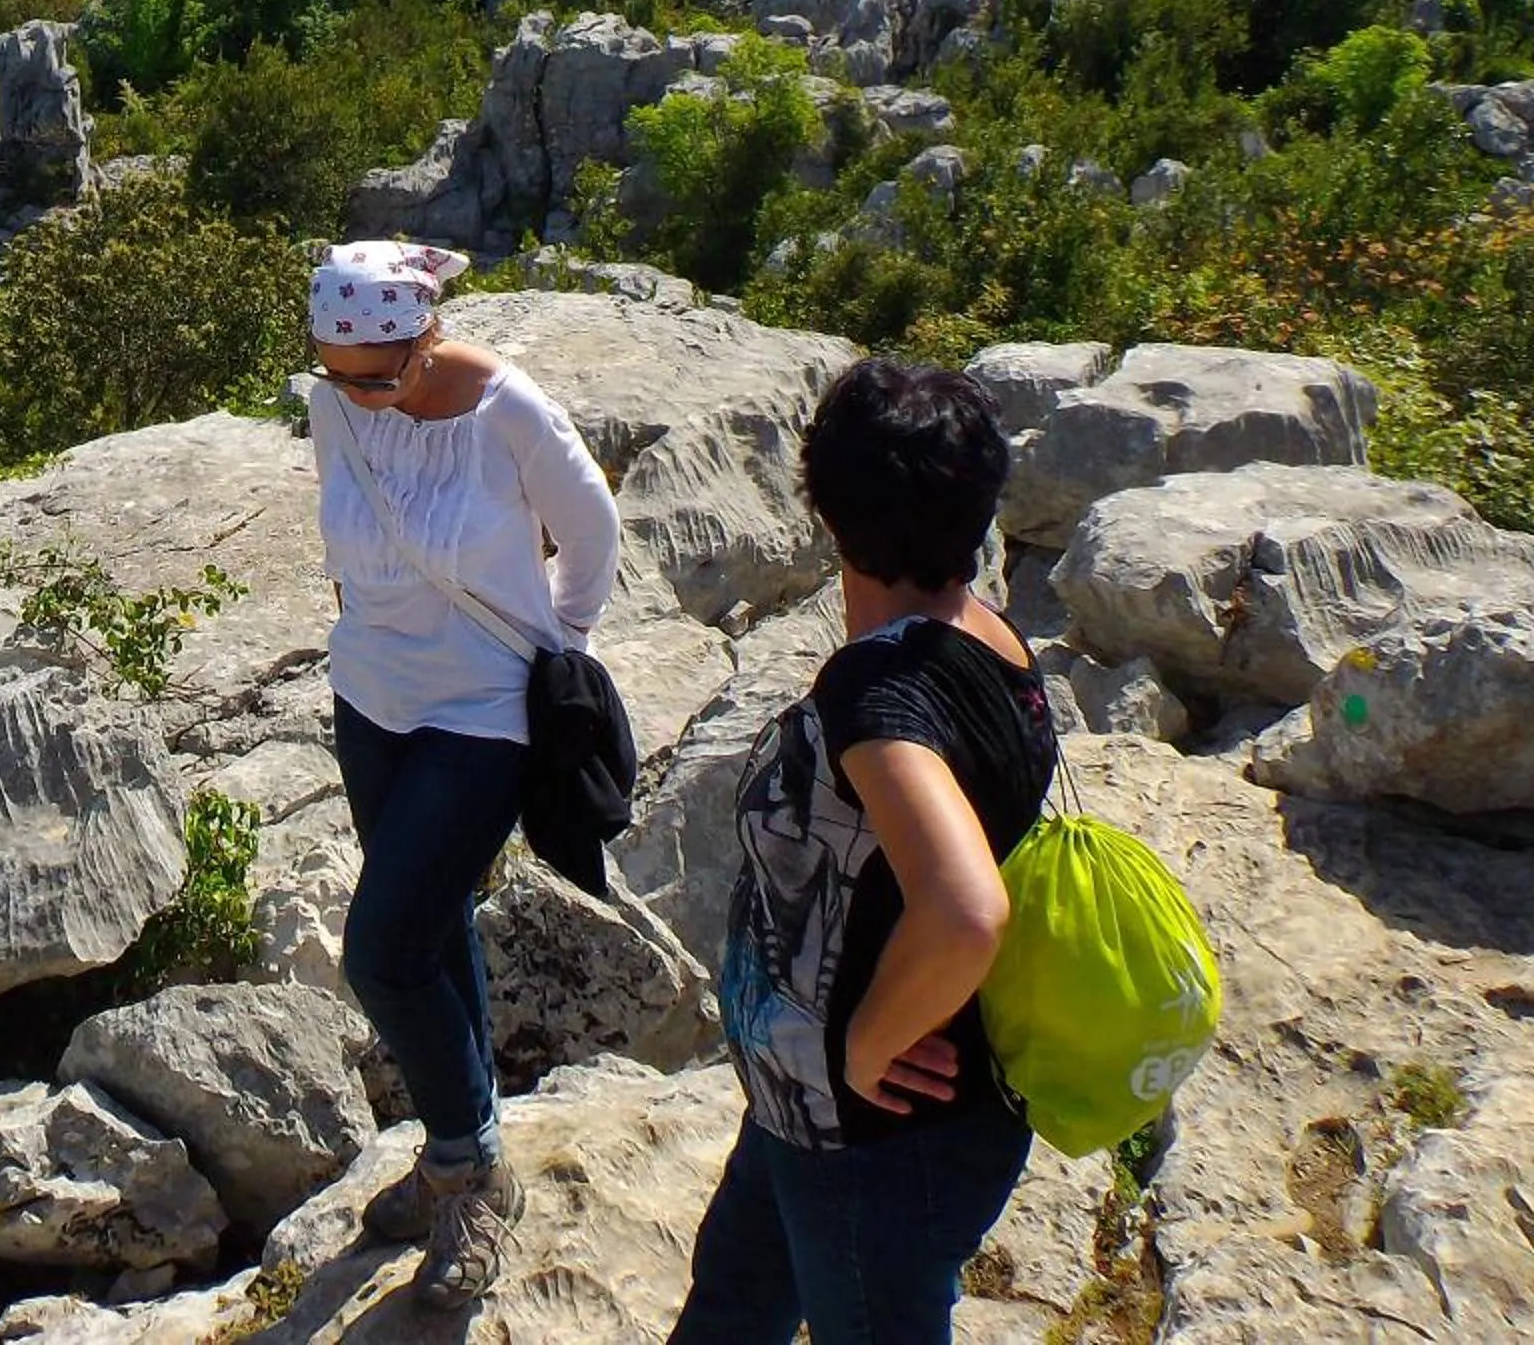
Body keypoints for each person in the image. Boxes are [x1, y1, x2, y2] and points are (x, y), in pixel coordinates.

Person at [669, 358, 1060, 1344]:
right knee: (731, 1304)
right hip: (813, 1114)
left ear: (828, 510)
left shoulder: (879, 699)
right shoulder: (989, 637)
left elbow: (967, 909)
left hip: (877, 1141)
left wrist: (867, 1044)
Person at [304, 239, 622, 1309]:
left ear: (429, 333)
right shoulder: (335, 402)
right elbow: (352, 540)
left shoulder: (508, 410)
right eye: (342, 376)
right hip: (372, 699)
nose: (365, 398)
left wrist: (554, 643)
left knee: (382, 955)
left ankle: (465, 1168)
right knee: (435, 928)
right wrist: (377, 640)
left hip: (484, 711)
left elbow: (593, 535)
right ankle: (471, 1144)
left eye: (385, 375)